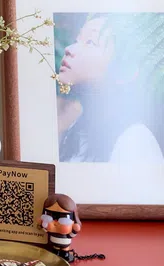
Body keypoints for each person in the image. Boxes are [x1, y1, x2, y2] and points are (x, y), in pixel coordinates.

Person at [57, 13, 164, 163]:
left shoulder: (135, 142)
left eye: (90, 42)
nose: (69, 49)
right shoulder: (76, 131)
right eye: (77, 40)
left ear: (124, 72)